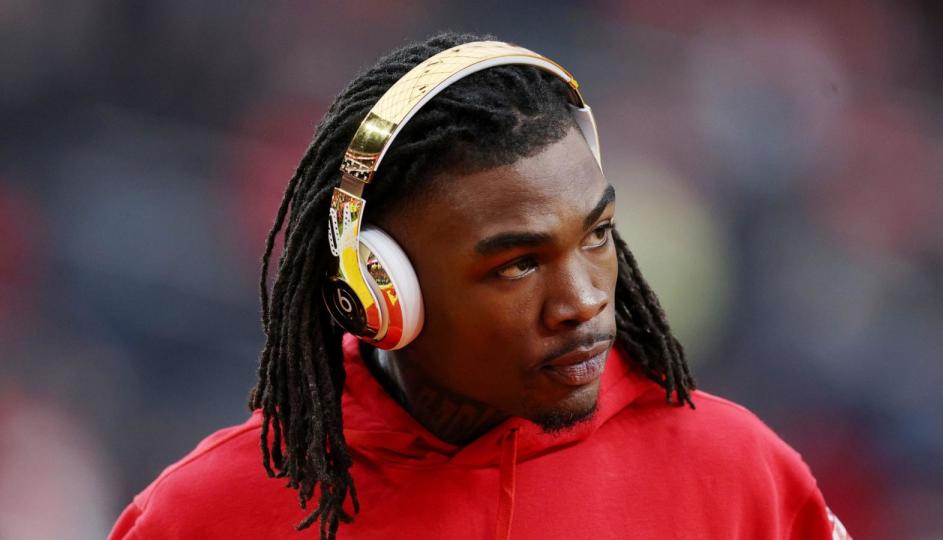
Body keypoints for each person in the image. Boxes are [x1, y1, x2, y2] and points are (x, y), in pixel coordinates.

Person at [109, 32, 850, 540]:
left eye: (596, 236)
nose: (583, 301)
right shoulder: (206, 515)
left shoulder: (738, 473)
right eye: (517, 264)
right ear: (381, 290)